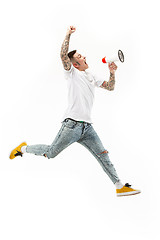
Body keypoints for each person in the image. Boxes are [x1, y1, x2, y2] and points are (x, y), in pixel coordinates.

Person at [9, 26, 141, 197]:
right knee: (51, 153)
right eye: (79, 56)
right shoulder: (71, 73)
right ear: (74, 63)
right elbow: (63, 56)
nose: (84, 56)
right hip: (71, 125)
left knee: (103, 155)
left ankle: (119, 186)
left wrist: (112, 73)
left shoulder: (91, 75)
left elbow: (110, 87)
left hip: (88, 128)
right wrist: (68, 34)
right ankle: (24, 149)